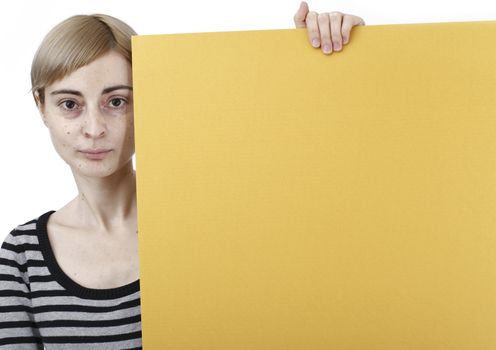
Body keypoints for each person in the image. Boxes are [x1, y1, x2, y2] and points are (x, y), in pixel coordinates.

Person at [0, 2, 364, 348]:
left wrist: (334, 59)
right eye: (70, 104)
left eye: (117, 101)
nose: (94, 128)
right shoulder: (22, 258)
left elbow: (314, 287)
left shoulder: (210, 224)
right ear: (41, 108)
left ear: (149, 98)